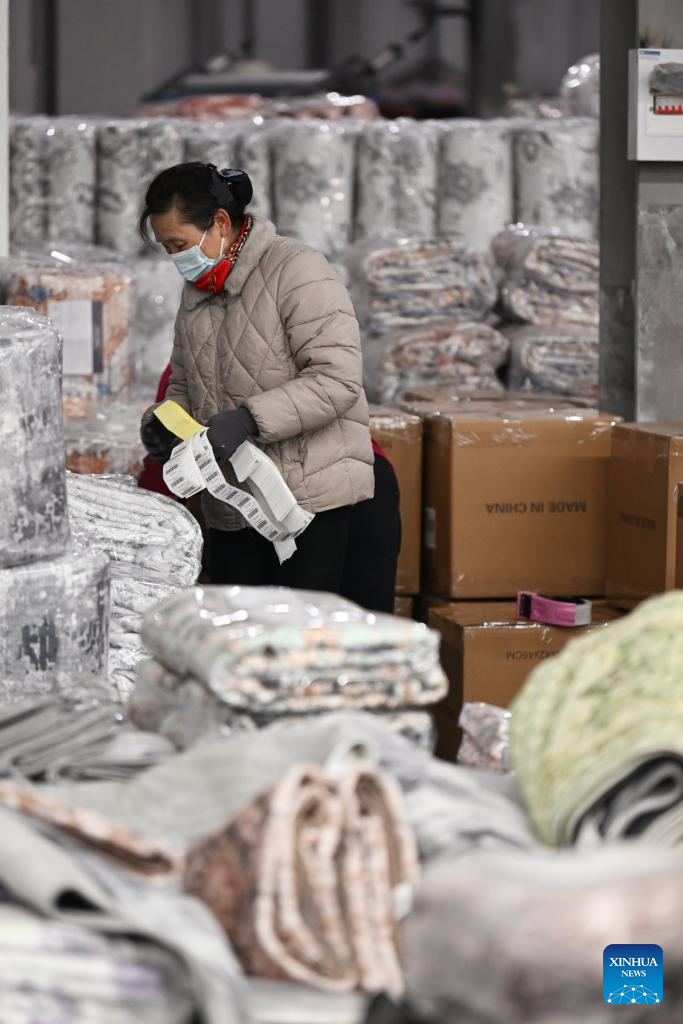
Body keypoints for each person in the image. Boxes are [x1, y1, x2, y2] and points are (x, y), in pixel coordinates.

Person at [138, 161, 374, 593]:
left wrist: (249, 419)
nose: (175, 258)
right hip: (232, 504)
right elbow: (185, 381)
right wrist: (165, 422)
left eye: (180, 244)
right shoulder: (199, 290)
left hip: (307, 502)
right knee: (239, 629)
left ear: (220, 223)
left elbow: (337, 379)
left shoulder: (297, 270)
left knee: (293, 631)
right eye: (167, 248)